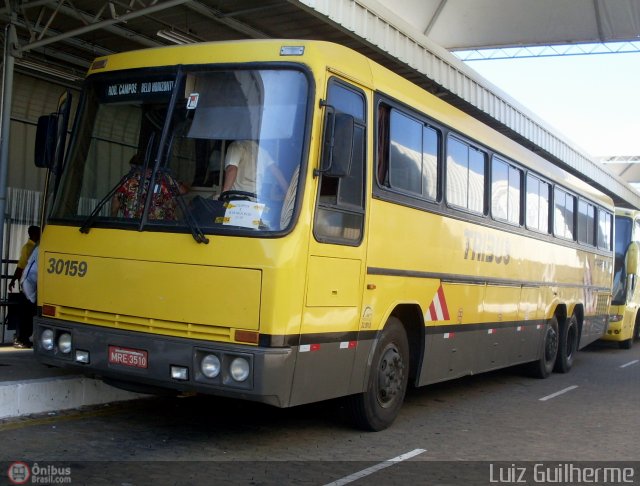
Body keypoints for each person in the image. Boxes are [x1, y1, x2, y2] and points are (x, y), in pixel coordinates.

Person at [111, 156, 187, 220]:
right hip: (163, 228)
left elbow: (116, 202)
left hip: (134, 228)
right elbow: (183, 191)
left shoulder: (128, 181)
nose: (132, 171)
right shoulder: (164, 179)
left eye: (133, 168)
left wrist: (113, 219)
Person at [222, 140, 288, 195]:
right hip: (255, 201)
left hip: (236, 200)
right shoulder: (262, 151)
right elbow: (278, 173)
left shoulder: (236, 146)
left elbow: (232, 169)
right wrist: (288, 197)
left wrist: (223, 194)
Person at [13, 246, 38, 348]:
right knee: (26, 314)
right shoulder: (31, 248)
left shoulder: (36, 247)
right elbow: (21, 266)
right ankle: (21, 339)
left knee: (27, 314)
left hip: (31, 284)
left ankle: (23, 338)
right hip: (29, 285)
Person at [9, 225, 40, 292]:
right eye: (39, 234)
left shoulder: (36, 247)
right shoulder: (28, 248)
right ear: (34, 235)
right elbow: (20, 266)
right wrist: (13, 281)